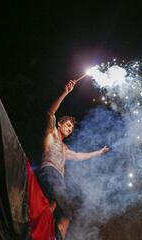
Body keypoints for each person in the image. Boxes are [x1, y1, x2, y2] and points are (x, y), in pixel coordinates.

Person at [38, 79, 109, 239]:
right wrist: (65, 92)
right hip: (49, 171)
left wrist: (98, 152)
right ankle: (46, 232)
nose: (70, 129)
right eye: (68, 125)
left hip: (59, 179)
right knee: (65, 211)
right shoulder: (53, 134)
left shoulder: (64, 148)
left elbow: (78, 156)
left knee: (57, 209)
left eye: (71, 128)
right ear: (59, 125)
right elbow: (50, 113)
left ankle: (46, 233)